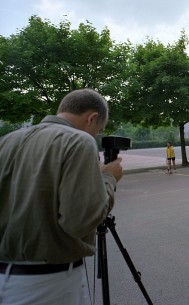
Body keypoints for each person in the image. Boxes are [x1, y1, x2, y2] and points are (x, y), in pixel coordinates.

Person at [0, 88, 123, 305]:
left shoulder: (7, 141)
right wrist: (109, 179)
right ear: (92, 118)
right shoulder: (79, 141)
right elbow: (81, 221)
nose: (95, 134)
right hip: (49, 284)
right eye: (99, 129)